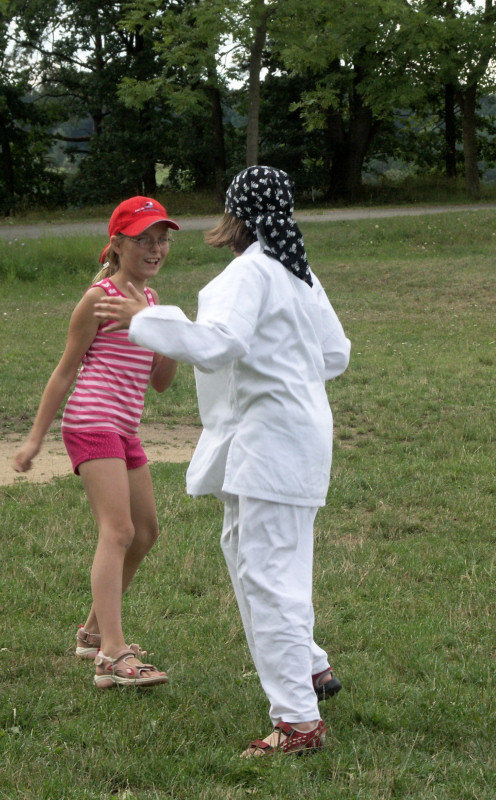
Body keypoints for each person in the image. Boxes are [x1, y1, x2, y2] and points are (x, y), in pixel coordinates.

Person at [93, 167, 350, 754]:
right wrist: (285, 369)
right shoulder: (298, 273)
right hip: (293, 440)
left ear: (234, 216)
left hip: (269, 444)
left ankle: (298, 721)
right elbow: (334, 354)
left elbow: (218, 344)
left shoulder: (250, 273)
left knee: (268, 576)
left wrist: (143, 320)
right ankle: (311, 666)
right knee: (259, 558)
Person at [13, 196, 179, 689]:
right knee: (118, 530)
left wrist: (170, 334)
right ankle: (112, 652)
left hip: (125, 428)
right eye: (143, 239)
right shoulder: (98, 298)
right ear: (117, 245)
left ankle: (91, 633)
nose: (155, 248)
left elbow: (161, 383)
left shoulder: (151, 303)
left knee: (145, 532)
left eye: (161, 239)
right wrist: (35, 439)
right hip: (91, 421)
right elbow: (66, 371)